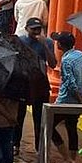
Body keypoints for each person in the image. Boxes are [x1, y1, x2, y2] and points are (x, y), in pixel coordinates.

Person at [15, 17, 57, 153]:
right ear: (27, 29)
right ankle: (15, 144)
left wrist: (44, 45)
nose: (36, 32)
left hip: (40, 83)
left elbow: (53, 63)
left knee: (39, 117)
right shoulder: (20, 40)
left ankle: (39, 147)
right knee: (19, 115)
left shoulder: (48, 42)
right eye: (33, 29)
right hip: (23, 82)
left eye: (39, 29)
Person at [53, 32, 82, 163]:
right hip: (78, 100)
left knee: (49, 127)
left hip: (65, 101)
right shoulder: (80, 55)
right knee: (71, 127)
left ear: (60, 45)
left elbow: (70, 83)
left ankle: (68, 159)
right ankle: (72, 161)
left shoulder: (66, 60)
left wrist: (80, 98)